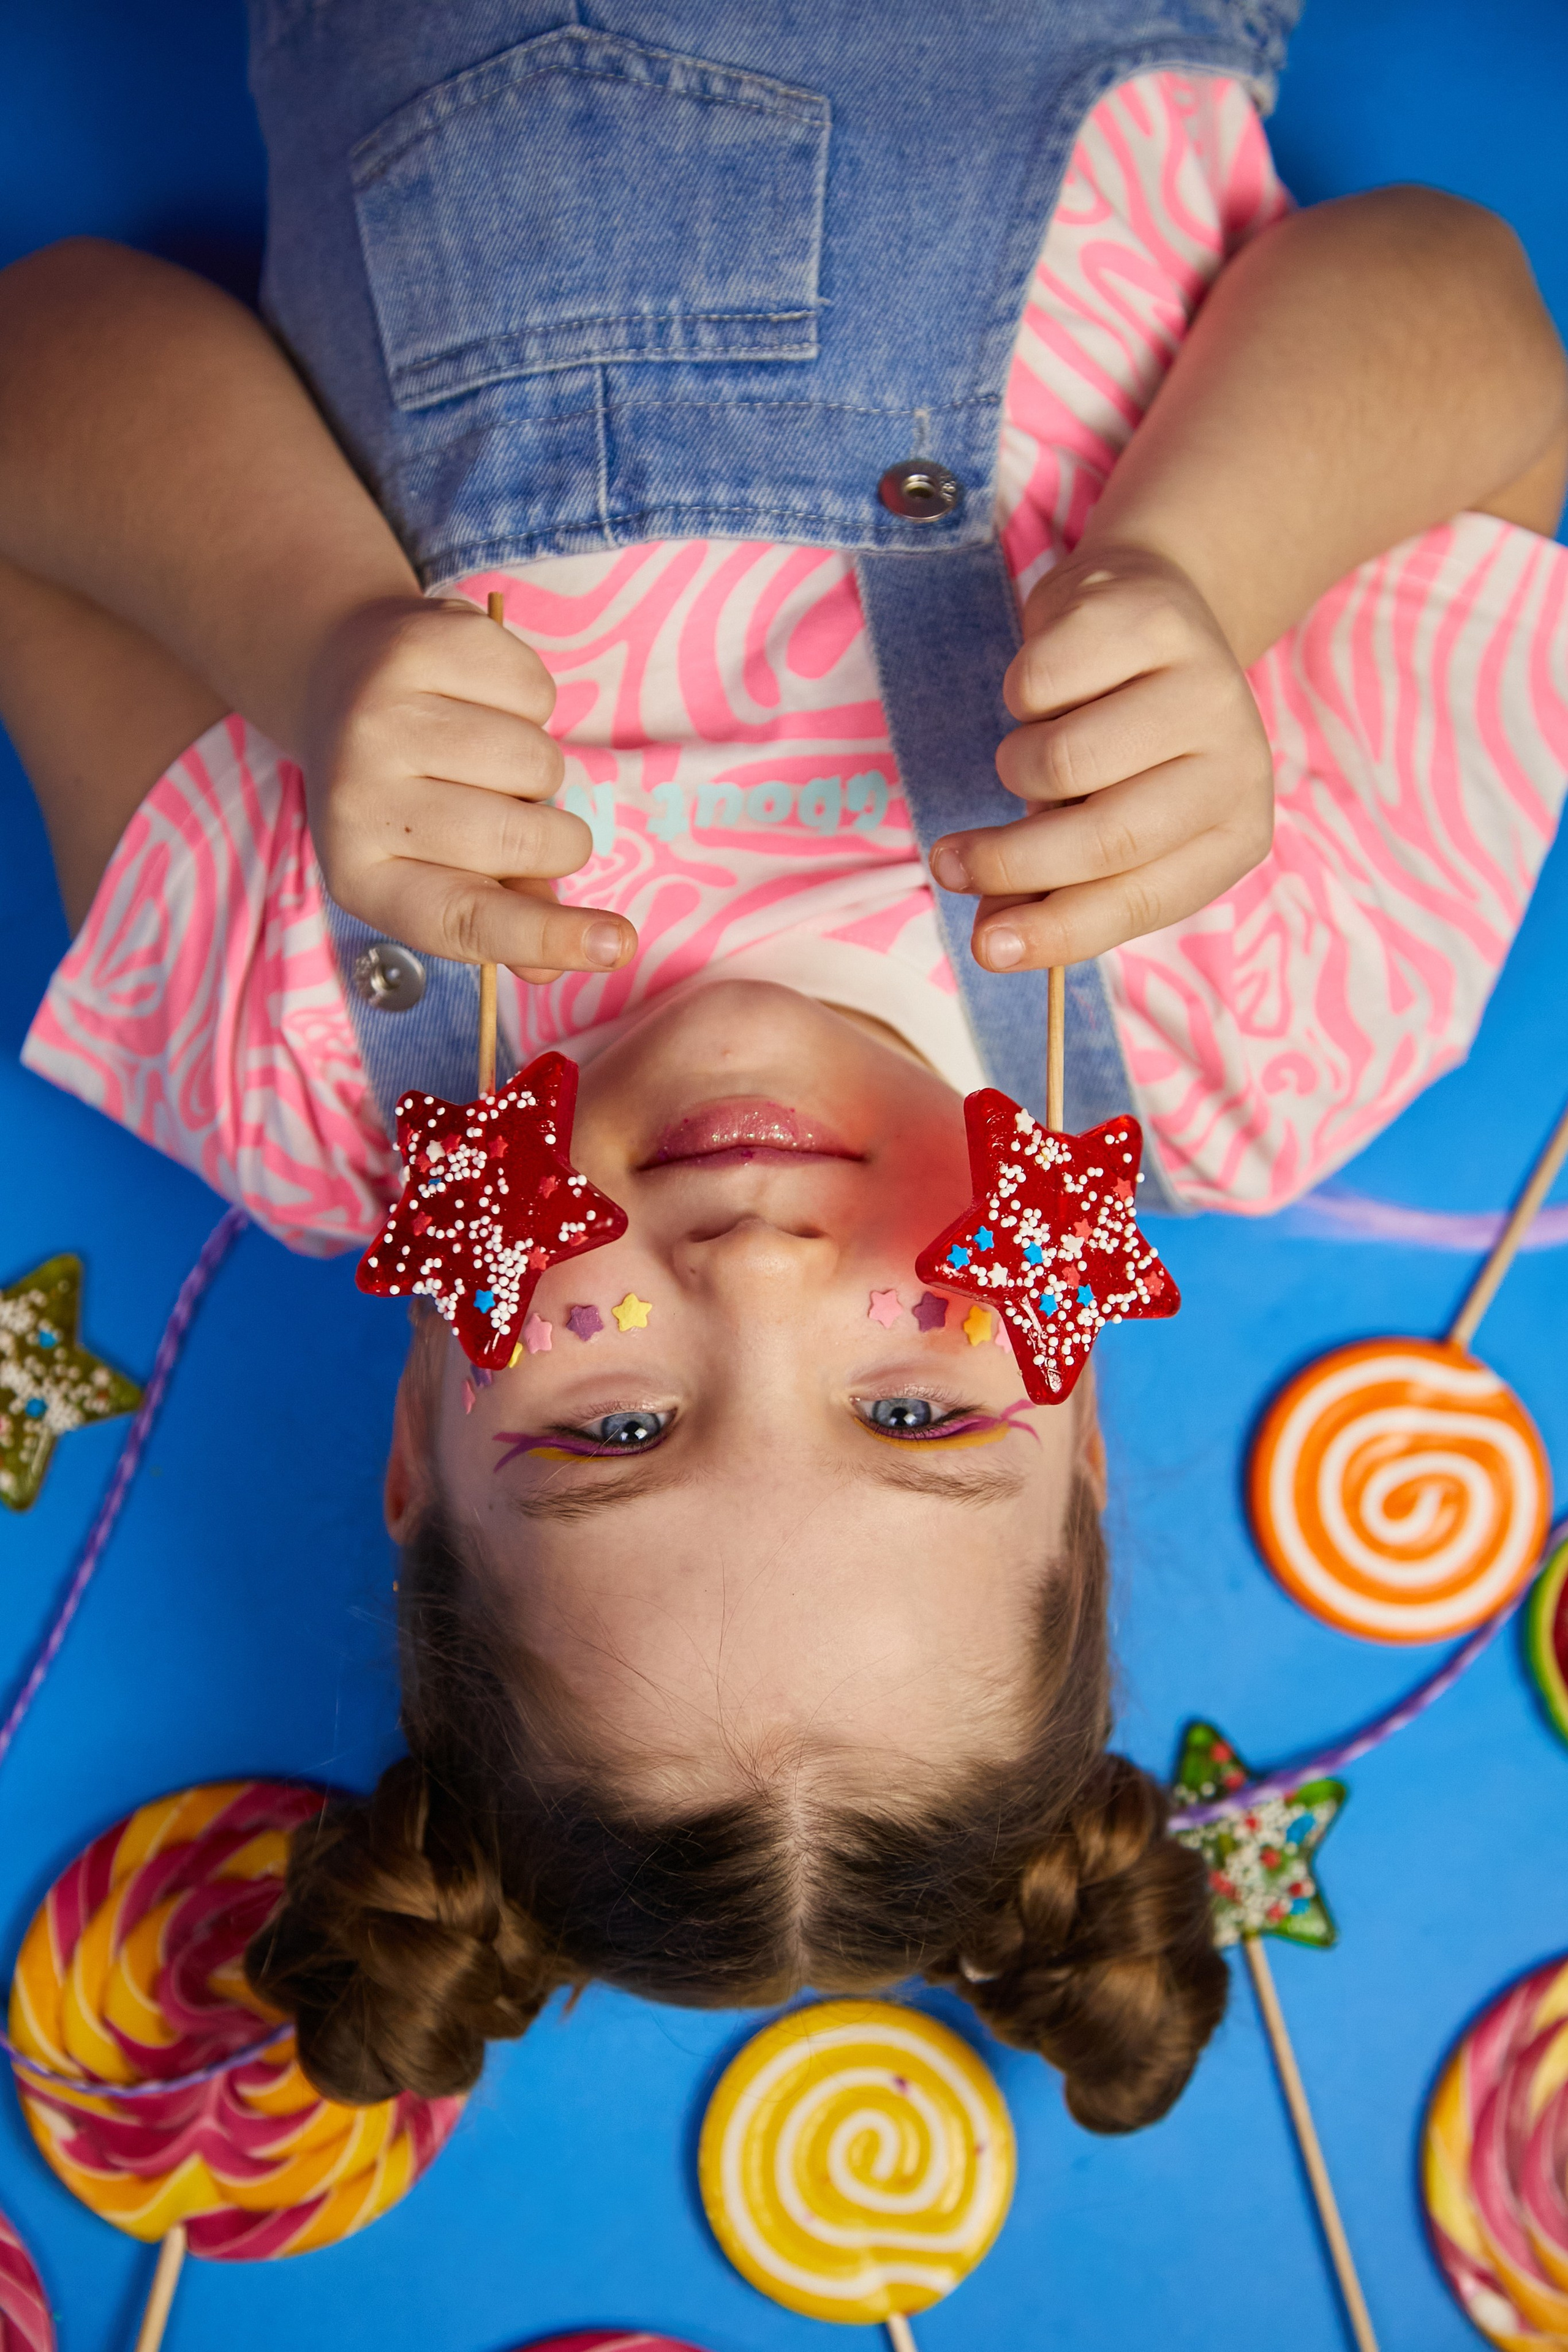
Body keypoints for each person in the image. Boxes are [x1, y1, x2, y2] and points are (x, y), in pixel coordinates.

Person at [1, 20, 1565, 2135]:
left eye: (619, 1422)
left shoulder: (300, 1056)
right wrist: (1208, 571)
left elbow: (40, 366)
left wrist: (308, 634)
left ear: (418, 1441)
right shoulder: (1271, 1018)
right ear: (1075, 1420)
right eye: (909, 1410)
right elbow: (1472, 313)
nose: (751, 1276)